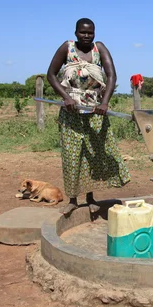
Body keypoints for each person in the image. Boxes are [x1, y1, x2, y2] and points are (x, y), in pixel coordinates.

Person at [46, 18, 130, 214]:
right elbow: (51, 75)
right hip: (71, 112)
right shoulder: (67, 48)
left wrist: (104, 102)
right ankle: (73, 199)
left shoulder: (99, 49)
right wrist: (66, 97)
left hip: (95, 111)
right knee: (72, 155)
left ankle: (91, 197)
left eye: (90, 32)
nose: (86, 36)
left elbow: (111, 76)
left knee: (94, 154)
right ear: (76, 33)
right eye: (83, 32)